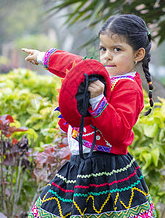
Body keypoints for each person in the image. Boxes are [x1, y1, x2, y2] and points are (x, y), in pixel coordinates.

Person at [22, 14, 157, 218]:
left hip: (107, 171)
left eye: (117, 49)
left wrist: (97, 100)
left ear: (138, 54)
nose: (107, 56)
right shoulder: (101, 75)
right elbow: (76, 64)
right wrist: (43, 57)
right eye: (103, 48)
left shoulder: (128, 87)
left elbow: (118, 132)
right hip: (79, 165)